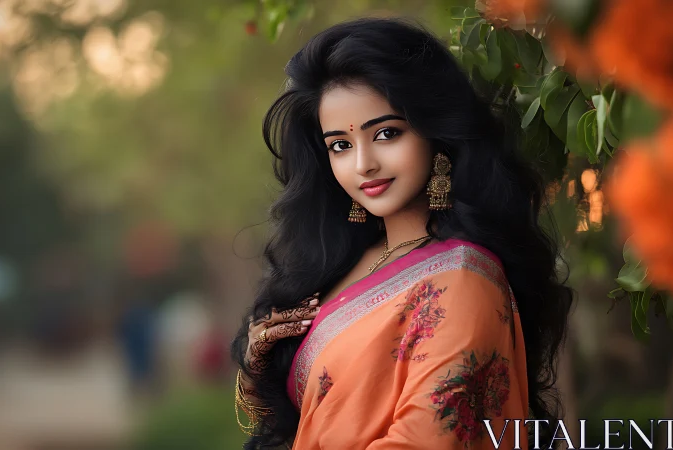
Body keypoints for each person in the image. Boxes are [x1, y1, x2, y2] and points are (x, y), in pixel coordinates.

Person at [231, 16, 574, 450]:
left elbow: (426, 440)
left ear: (436, 132)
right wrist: (259, 365)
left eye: (387, 134)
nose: (363, 164)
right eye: (340, 145)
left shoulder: (463, 279)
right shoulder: (348, 262)